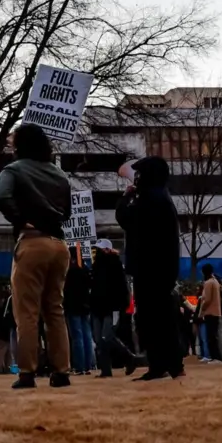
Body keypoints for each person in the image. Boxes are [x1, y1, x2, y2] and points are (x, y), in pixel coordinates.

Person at [0, 123, 73, 390]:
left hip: (32, 241)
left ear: (20, 145)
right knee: (55, 309)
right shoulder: (60, 175)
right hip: (59, 245)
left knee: (27, 311)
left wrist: (19, 219)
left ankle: (27, 371)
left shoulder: (14, 170)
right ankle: (61, 371)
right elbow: (67, 212)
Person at [115, 156, 183, 381]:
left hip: (149, 269)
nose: (137, 178)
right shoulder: (162, 197)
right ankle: (172, 364)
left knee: (151, 319)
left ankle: (159, 365)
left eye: (140, 174)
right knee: (164, 318)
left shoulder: (149, 199)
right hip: (162, 268)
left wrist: (126, 197)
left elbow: (125, 218)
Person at [87, 240, 135, 378]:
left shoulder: (116, 265)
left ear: (108, 250)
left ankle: (129, 357)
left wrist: (121, 305)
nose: (98, 252)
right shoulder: (96, 266)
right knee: (99, 338)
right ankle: (105, 369)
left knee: (107, 336)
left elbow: (122, 287)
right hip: (97, 307)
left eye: (100, 249)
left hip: (112, 307)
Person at [198, 265, 222, 363]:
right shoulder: (215, 281)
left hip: (210, 312)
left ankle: (216, 357)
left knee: (211, 336)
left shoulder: (208, 283)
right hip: (216, 312)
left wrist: (202, 310)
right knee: (214, 336)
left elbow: (207, 299)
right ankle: (216, 357)